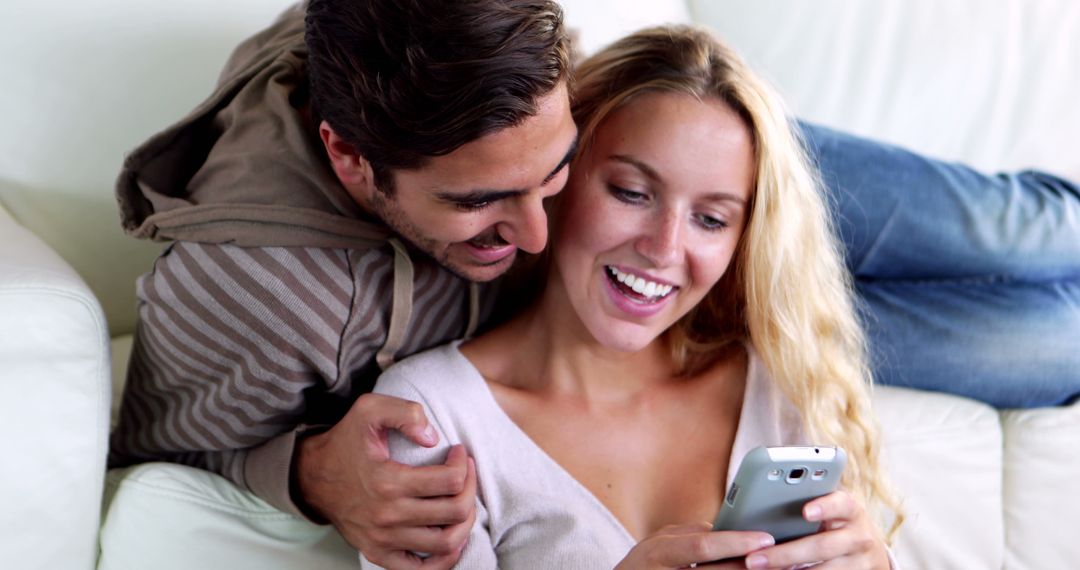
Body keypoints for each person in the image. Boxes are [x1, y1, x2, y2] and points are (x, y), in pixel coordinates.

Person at [107, 0, 1079, 567]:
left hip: (693, 126)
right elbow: (163, 438)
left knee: (1030, 232)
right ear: (353, 164)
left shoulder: (517, 78)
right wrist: (315, 467)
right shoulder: (275, 301)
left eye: (551, 176)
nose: (532, 230)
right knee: (1051, 342)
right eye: (487, 202)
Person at [366, 24, 901, 569]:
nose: (664, 248)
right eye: (631, 192)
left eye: (711, 219)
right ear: (557, 177)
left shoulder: (780, 390)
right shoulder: (433, 417)